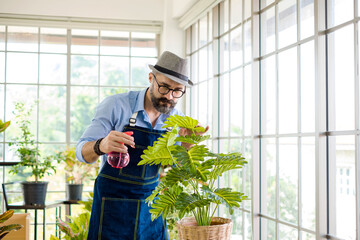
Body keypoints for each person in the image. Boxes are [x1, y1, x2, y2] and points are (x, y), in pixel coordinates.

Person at [76, 51, 195, 240]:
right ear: (151, 78)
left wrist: (186, 149)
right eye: (164, 87)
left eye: (177, 91)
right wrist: (101, 145)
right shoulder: (116, 105)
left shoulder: (176, 120)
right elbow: (81, 152)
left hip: (151, 210)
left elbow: (174, 169)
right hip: (112, 207)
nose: (170, 97)